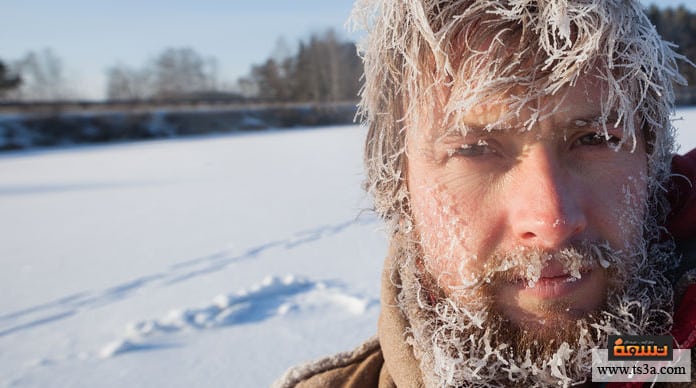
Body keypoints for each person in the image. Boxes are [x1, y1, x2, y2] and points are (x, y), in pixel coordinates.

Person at [275, 0, 696, 386]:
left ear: (652, 167)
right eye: (474, 150)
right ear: (399, 190)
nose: (552, 222)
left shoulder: (670, 359)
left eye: (594, 138)